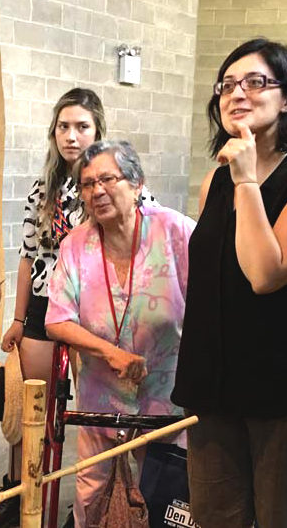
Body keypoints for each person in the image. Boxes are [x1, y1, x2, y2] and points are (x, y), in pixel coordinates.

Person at [172, 38, 287, 528]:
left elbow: (265, 274)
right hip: (216, 383)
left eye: (255, 82)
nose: (237, 93)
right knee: (214, 519)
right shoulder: (215, 181)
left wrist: (247, 181)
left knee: (281, 519)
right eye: (227, 84)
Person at [44, 141, 194, 525]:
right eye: (88, 183)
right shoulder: (75, 246)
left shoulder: (176, 233)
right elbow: (57, 319)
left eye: (108, 179)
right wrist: (110, 353)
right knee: (92, 499)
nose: (97, 191)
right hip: (101, 398)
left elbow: (211, 306)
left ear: (137, 182)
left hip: (167, 398)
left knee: (163, 500)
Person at [0, 87, 106, 525]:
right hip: (43, 304)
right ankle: (23, 494)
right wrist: (18, 319)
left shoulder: (111, 182)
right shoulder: (43, 188)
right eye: (64, 127)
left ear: (97, 131)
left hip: (91, 309)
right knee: (32, 409)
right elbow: (28, 256)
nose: (71, 136)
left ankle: (95, 503)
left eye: (82, 127)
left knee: (94, 411)